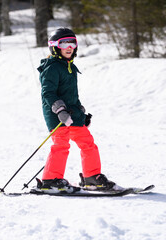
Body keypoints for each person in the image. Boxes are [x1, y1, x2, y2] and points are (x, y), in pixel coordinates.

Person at [37, 28, 116, 193]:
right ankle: (50, 180)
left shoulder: (70, 66)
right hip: (56, 114)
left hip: (72, 114)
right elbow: (48, 93)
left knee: (88, 143)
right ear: (54, 46)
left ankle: (91, 177)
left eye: (72, 43)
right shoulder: (52, 67)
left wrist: (81, 113)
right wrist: (60, 111)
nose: (69, 47)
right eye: (64, 43)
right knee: (61, 145)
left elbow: (72, 95)